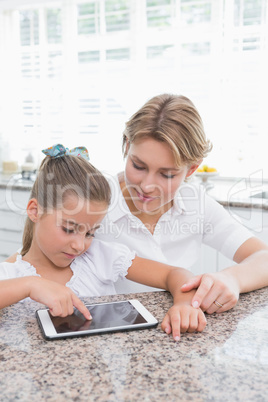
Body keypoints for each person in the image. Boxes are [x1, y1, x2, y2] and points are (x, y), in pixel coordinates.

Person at [0, 144, 207, 341]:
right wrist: (30, 285)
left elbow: (176, 274)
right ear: (35, 211)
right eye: (69, 229)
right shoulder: (10, 276)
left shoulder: (100, 257)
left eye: (90, 233)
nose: (79, 245)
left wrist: (185, 304)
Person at [94, 93, 268, 313]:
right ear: (127, 146)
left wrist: (232, 279)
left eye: (166, 175)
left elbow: (263, 258)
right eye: (138, 166)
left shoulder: (196, 204)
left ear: (192, 169)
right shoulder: (94, 200)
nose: (147, 186)